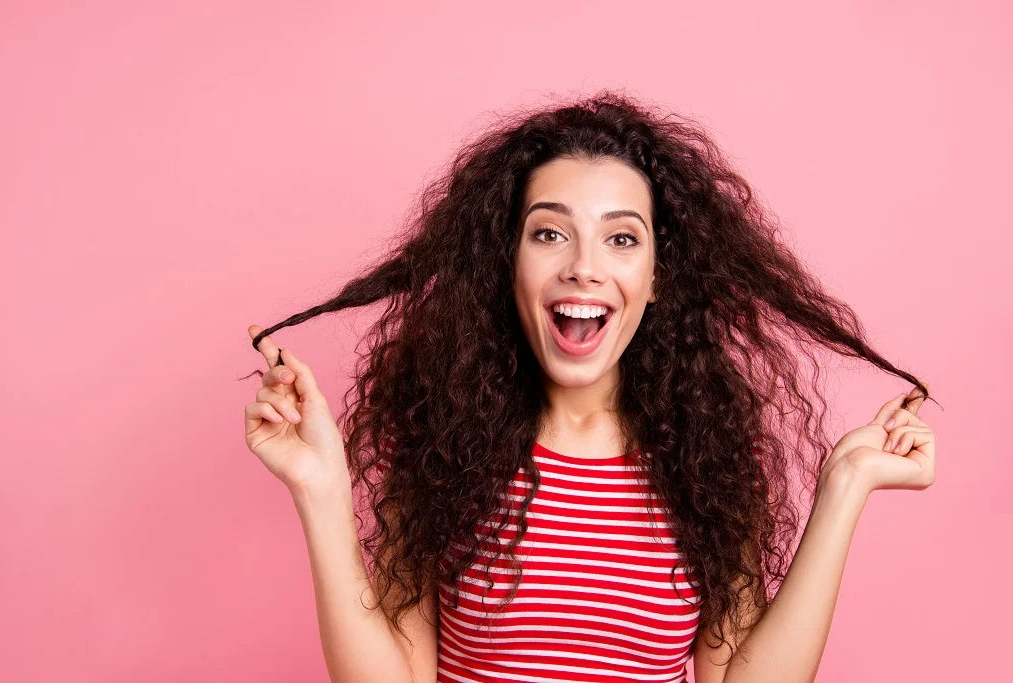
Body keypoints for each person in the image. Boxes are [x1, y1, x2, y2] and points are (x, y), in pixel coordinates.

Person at [241, 91, 937, 683]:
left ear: (659, 276)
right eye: (549, 233)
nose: (584, 267)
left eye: (622, 239)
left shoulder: (707, 460)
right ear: (507, 261)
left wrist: (845, 487)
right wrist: (320, 489)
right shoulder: (444, 449)